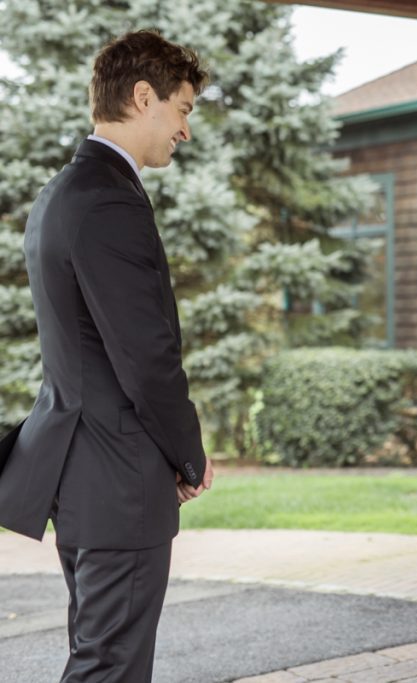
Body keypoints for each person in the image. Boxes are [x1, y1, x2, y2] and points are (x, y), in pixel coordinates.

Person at [0, 30, 213, 683]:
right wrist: (188, 455)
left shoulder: (62, 192)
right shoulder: (108, 200)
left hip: (83, 471)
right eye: (181, 108)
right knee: (110, 668)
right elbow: (145, 356)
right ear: (142, 96)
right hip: (116, 478)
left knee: (98, 656)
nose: (184, 129)